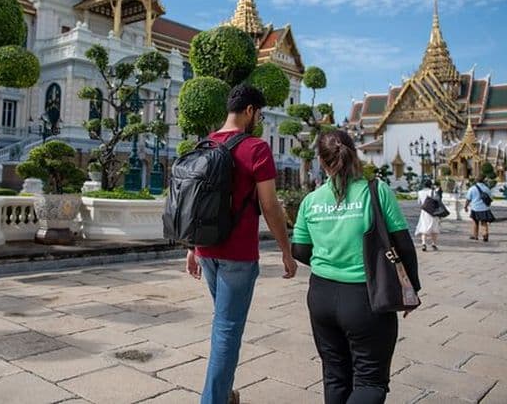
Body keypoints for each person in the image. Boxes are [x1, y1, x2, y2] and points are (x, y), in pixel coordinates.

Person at [186, 84, 297, 404]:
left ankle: (224, 392)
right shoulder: (256, 148)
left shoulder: (204, 143)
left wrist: (192, 247)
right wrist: (286, 251)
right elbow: (271, 206)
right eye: (259, 113)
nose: (258, 119)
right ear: (249, 111)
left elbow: (196, 203)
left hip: (206, 250)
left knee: (223, 324)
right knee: (227, 330)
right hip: (238, 255)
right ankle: (213, 400)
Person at [292, 130, 420, 404]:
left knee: (335, 375)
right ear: (354, 153)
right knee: (370, 381)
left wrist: (329, 257)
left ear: (321, 161)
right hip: (366, 297)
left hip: (321, 297)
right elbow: (403, 244)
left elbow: (300, 250)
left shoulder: (311, 201)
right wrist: (410, 292)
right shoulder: (375, 190)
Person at [464, 175, 494, 242]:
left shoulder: (472, 188)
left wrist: (465, 206)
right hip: (484, 208)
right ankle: (485, 234)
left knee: (475, 222)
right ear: (483, 180)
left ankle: (475, 236)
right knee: (484, 222)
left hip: (475, 208)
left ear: (476, 180)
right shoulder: (487, 188)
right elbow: (491, 199)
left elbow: (468, 199)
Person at [415, 179, 441, 251]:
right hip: (433, 213)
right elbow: (438, 201)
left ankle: (424, 243)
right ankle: (434, 244)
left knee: (424, 227)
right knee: (434, 229)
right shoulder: (433, 192)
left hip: (424, 212)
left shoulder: (420, 192)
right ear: (430, 185)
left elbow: (419, 203)